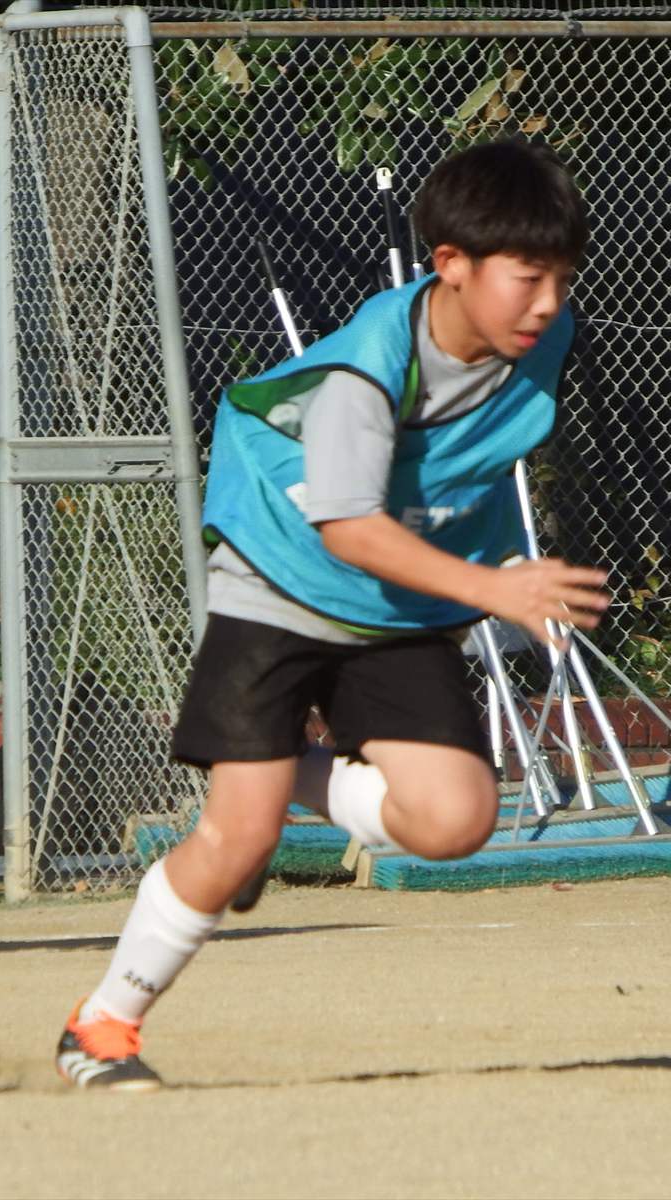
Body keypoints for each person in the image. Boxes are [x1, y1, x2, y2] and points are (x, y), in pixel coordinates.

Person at [55, 138, 609, 1091]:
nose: (549, 302)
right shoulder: (368, 372)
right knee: (234, 840)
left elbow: (462, 470)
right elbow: (349, 528)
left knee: (456, 819)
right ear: (451, 264)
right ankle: (101, 1025)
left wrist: (497, 568)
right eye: (528, 278)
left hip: (391, 603)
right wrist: (496, 590)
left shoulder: (538, 341)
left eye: (562, 277)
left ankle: (277, 778)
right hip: (281, 577)